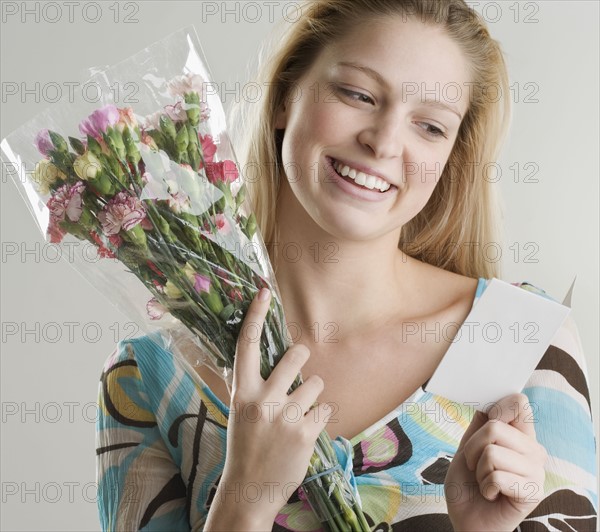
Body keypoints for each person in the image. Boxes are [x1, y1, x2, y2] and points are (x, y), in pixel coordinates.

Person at [95, 0, 598, 530]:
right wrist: (244, 497)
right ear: (286, 95)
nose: (383, 142)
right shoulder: (152, 376)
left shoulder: (517, 334)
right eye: (358, 95)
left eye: (430, 127)